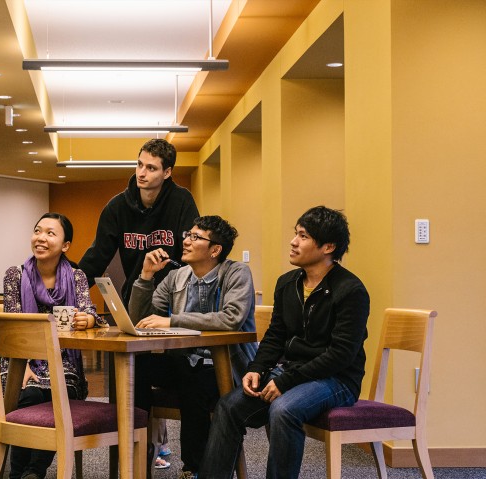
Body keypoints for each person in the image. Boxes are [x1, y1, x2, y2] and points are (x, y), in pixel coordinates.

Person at [199, 206, 370, 479]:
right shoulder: (287, 283)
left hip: (338, 380)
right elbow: (276, 336)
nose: (293, 241)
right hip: (292, 372)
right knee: (229, 406)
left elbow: (341, 355)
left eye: (303, 236)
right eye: (295, 234)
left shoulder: (350, 290)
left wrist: (285, 381)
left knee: (284, 409)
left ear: (328, 246)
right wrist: (256, 368)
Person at [128, 215, 258, 479]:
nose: (185, 240)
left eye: (195, 237)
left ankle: (194, 468)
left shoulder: (236, 273)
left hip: (225, 366)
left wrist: (172, 319)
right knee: (135, 367)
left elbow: (231, 318)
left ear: (215, 249)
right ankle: (137, 458)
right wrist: (145, 276)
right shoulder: (175, 277)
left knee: (195, 378)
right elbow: (139, 319)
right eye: (187, 234)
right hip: (183, 360)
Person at [1, 213, 108, 479]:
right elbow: (11, 327)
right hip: (20, 359)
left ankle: (33, 471)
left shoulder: (77, 276)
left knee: (59, 393)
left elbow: (91, 312)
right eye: (38, 231)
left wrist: (89, 318)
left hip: (63, 362)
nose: (41, 238)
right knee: (31, 394)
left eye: (51, 233)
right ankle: (21, 473)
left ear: (65, 245)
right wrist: (23, 365)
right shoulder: (15, 275)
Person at [78, 138, 199, 302]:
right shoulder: (117, 207)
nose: (141, 173)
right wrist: (69, 292)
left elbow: (193, 253)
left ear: (167, 172)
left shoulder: (182, 201)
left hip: (175, 300)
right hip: (136, 298)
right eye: (139, 164)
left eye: (151, 168)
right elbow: (96, 258)